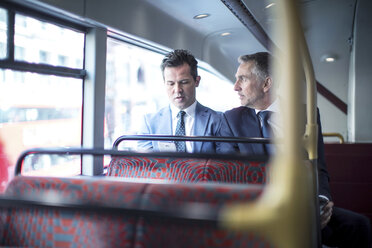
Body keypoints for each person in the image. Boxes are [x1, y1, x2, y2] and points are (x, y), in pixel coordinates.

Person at [218, 52, 371, 247]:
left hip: (304, 205)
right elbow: (232, 173)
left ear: (267, 84)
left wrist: (321, 202)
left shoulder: (306, 114)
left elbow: (319, 167)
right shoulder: (231, 120)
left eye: (243, 79)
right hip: (259, 205)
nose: (235, 86)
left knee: (359, 225)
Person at [137, 49, 225, 153]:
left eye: (183, 82)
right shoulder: (150, 123)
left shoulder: (218, 121)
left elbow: (224, 165)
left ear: (197, 81)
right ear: (164, 83)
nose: (177, 90)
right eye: (171, 83)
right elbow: (145, 165)